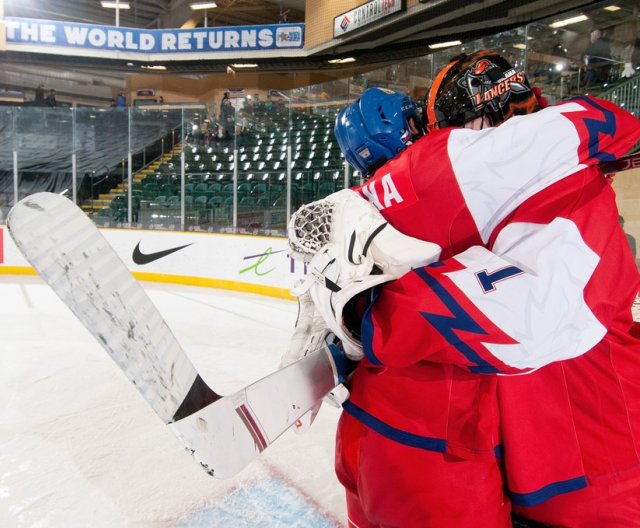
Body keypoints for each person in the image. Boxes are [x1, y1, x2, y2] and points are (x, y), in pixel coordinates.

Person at [289, 51, 640, 527]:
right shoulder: (547, 164)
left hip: (574, 467)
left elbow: (540, 318)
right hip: (544, 463)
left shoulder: (510, 159)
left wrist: (366, 313)